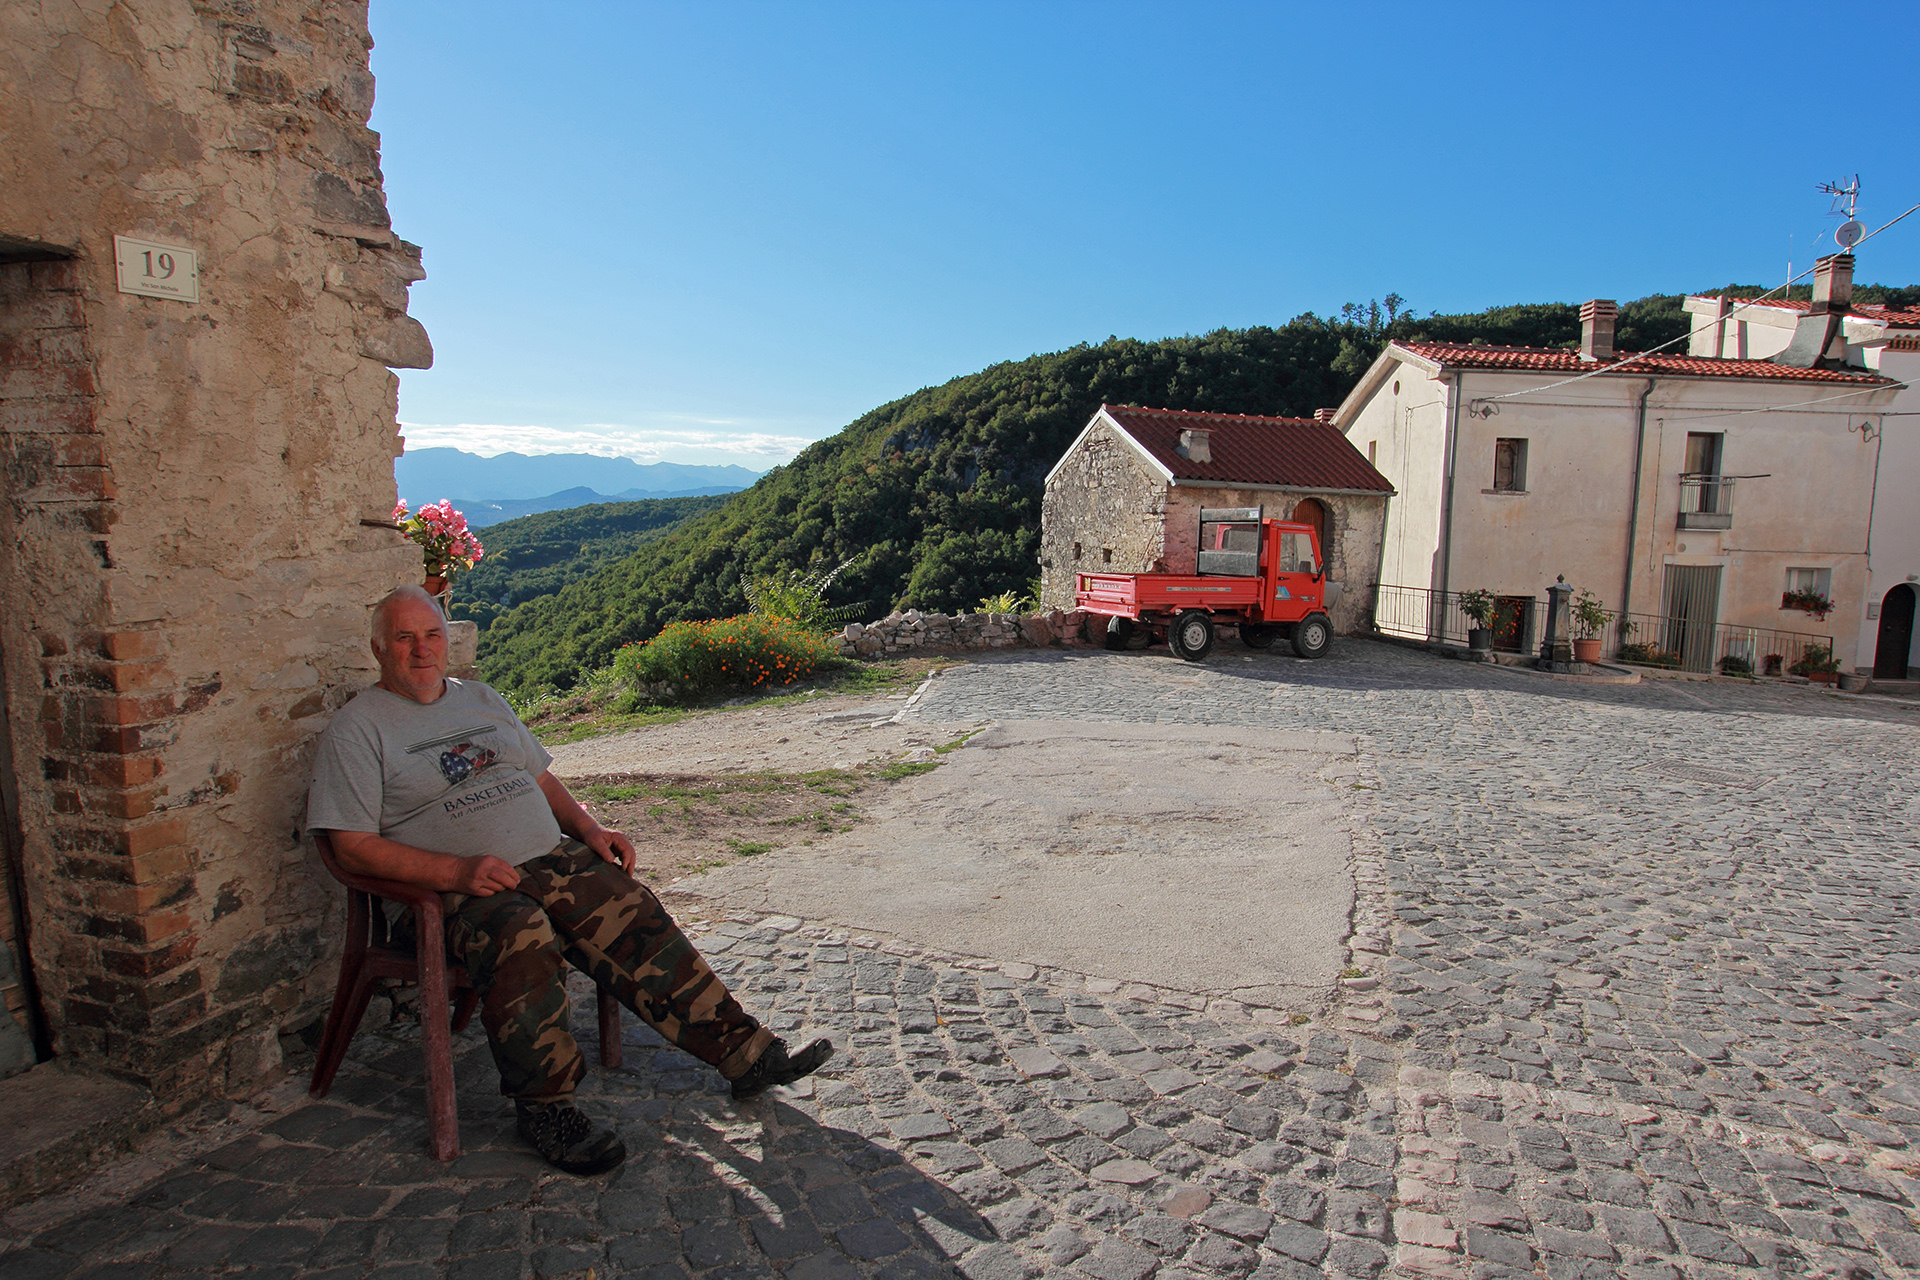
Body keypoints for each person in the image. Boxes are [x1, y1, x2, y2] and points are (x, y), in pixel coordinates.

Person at [307, 585, 831, 1175]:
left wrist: (591, 830)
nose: (421, 649)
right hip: (456, 894)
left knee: (631, 904)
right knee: (522, 936)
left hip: (548, 859)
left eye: (432, 635)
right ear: (379, 648)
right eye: (404, 637)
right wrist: (455, 870)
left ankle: (744, 1054)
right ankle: (546, 1109)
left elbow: (543, 780)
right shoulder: (358, 729)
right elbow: (349, 845)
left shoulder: (480, 699)